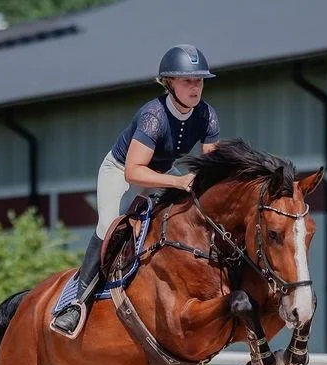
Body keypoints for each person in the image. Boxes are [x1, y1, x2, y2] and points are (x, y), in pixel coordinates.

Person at [50, 44, 220, 339]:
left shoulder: (206, 115)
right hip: (121, 171)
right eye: (187, 81)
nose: (195, 88)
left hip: (162, 171)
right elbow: (134, 171)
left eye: (199, 80)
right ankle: (76, 303)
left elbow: (212, 164)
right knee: (109, 226)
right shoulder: (152, 116)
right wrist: (180, 183)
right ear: (169, 83)